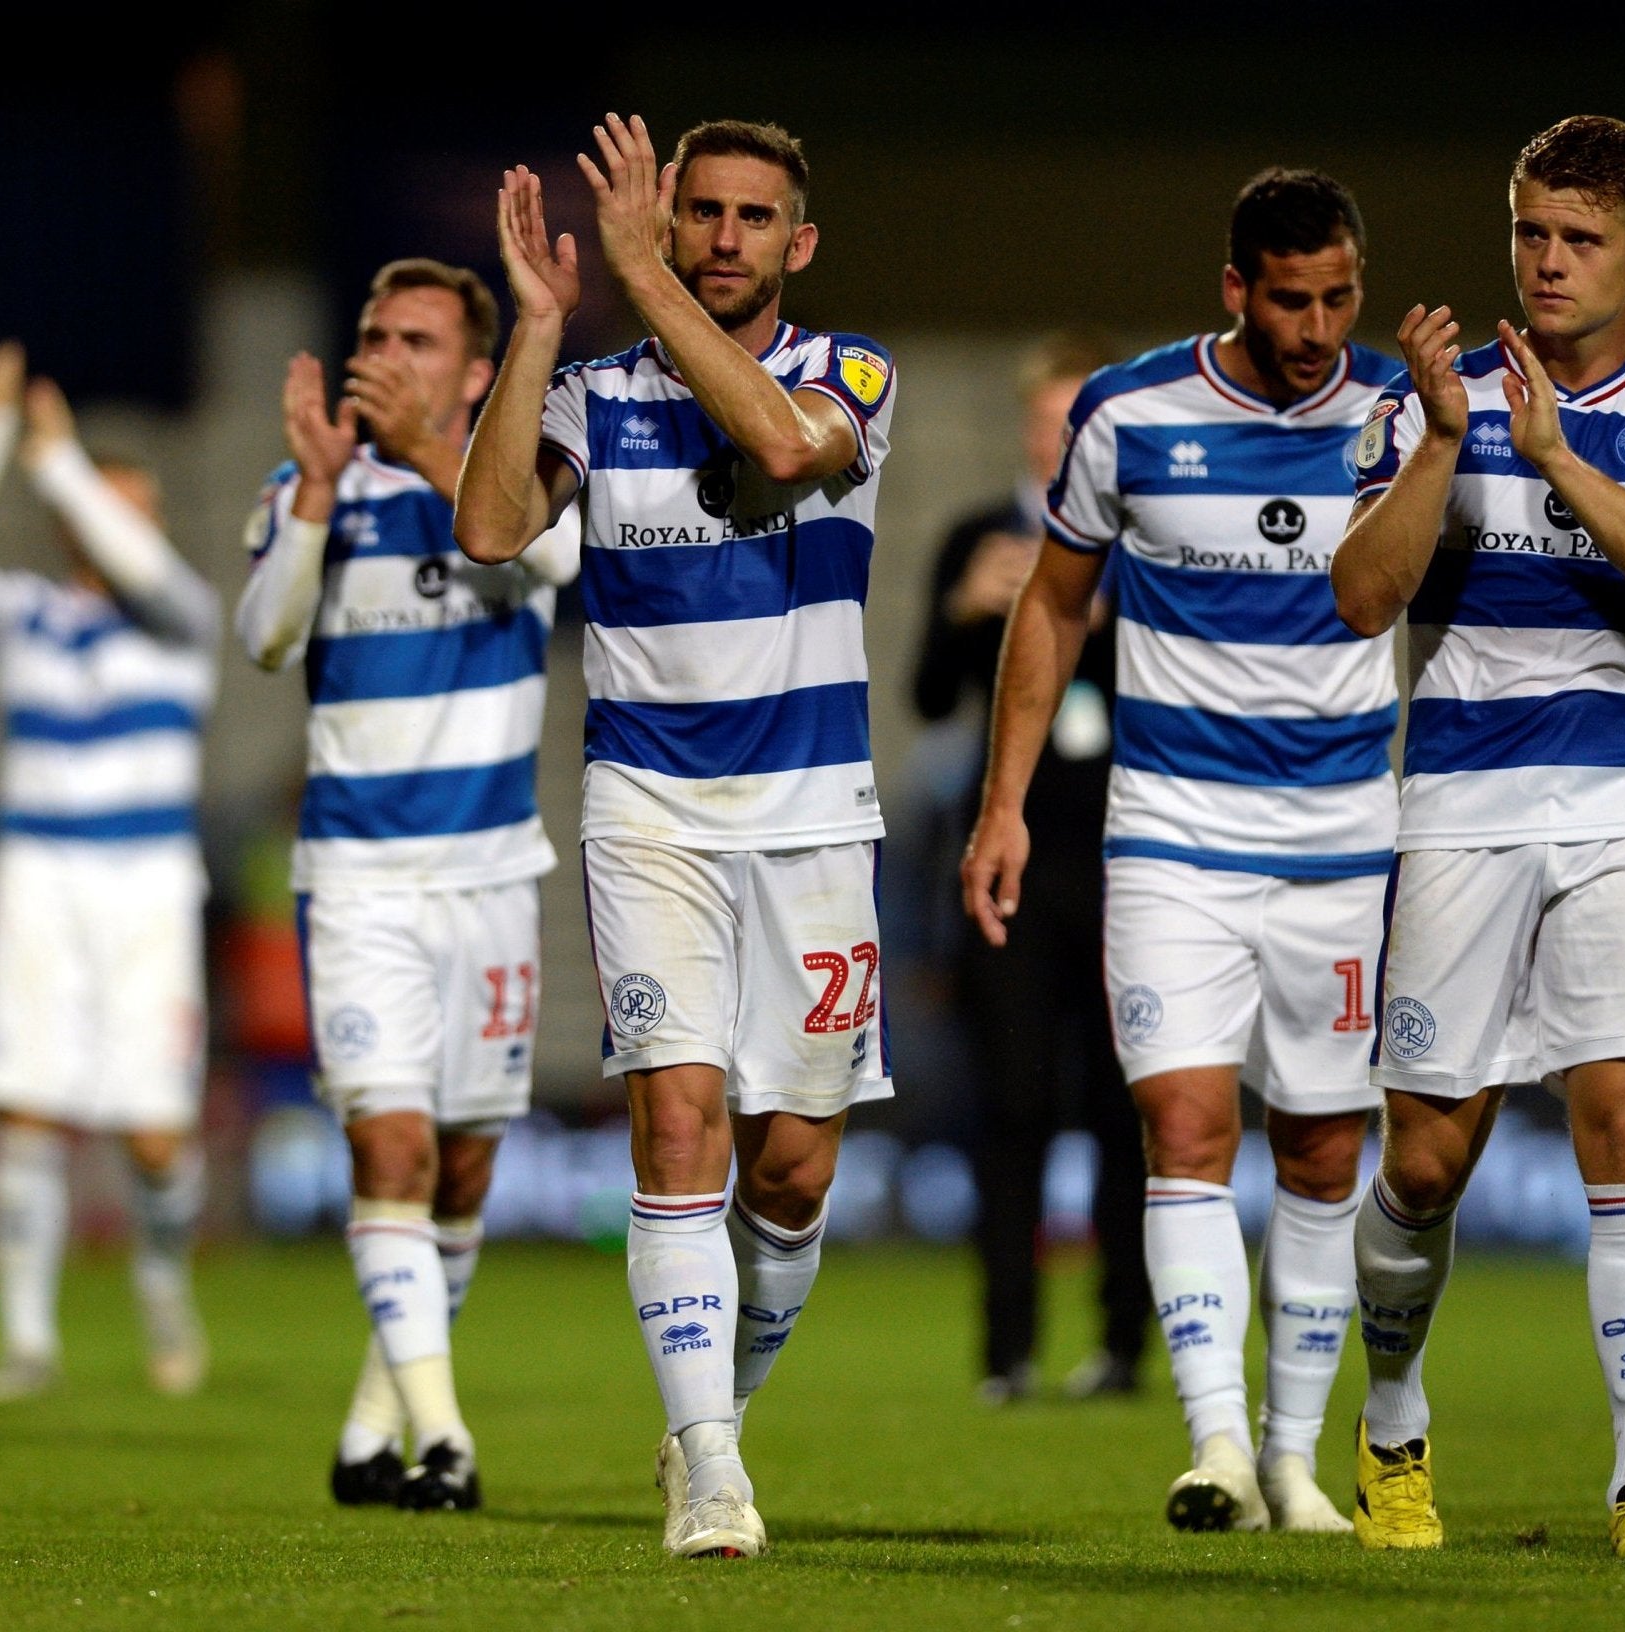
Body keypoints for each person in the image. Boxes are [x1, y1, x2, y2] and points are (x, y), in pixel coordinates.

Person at [457, 114, 895, 1560]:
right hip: (649, 808)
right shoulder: (595, 391)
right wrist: (535, 329)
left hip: (815, 814)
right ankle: (710, 1468)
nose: (717, 239)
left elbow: (774, 443)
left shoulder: (852, 380)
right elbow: (490, 525)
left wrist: (634, 278)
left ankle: (716, 1414)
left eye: (749, 217)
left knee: (792, 1173)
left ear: (798, 241)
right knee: (681, 1122)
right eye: (696, 213)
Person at [963, 170, 1398, 1533]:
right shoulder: (1132, 412)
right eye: (1289, 299)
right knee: (1189, 1125)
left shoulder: (1398, 416)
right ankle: (1214, 1441)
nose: (1316, 326)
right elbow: (1050, 606)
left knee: (1325, 1151)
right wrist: (1003, 803)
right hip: (1176, 836)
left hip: (1343, 840)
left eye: (1337, 297)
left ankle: (1290, 1455)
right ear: (1236, 290)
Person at [1334, 115, 1625, 1559]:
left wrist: (1558, 458)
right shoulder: (1423, 401)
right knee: (1428, 1164)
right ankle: (1391, 1430)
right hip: (1461, 811)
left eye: (1579, 240)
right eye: (1531, 235)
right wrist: (1450, 437)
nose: (1548, 262)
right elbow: (1365, 598)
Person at [238, 259, 578, 1511]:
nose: (388, 353)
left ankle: (371, 1429)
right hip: (361, 876)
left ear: (476, 372)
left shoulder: (531, 477)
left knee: (466, 1173)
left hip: (491, 877)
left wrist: (439, 452)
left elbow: (555, 571)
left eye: (419, 341)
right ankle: (446, 1438)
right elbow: (267, 639)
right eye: (375, 333)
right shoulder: (306, 490)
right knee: (387, 1141)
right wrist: (324, 492)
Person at [0, 343, 220, 1403]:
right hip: (38, 876)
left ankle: (164, 1276)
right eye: (109, 510)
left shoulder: (183, 623)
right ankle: (28, 1336)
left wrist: (62, 462)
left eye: (141, 511)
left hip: (145, 886)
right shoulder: (26, 616)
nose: (128, 530)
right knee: (29, 1110)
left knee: (155, 1138)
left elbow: (144, 570)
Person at [911, 334, 1150, 1405]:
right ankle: (1005, 1353)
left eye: (1078, 423)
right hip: (1006, 860)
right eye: (1048, 421)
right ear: (1025, 428)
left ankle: (1122, 1349)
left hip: (1128, 856)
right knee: (1007, 1108)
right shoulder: (978, 536)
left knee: (1122, 1110)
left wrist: (1088, 619)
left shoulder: (1143, 540)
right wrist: (970, 609)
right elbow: (922, 697)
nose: (1060, 441)